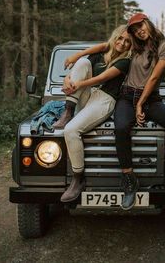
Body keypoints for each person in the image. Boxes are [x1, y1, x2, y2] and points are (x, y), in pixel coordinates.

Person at [114, 13, 165, 210]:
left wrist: (140, 104)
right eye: (134, 29)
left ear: (147, 23)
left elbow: (154, 77)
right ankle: (130, 180)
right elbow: (108, 47)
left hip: (150, 99)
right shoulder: (134, 45)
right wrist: (78, 55)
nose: (139, 31)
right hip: (126, 97)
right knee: (121, 127)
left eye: (140, 26)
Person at [55, 25, 132, 203]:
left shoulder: (126, 61)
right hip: (86, 96)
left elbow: (102, 78)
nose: (122, 43)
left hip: (104, 99)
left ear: (131, 45)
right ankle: (68, 111)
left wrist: (76, 85)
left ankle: (78, 178)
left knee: (70, 130)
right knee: (82, 62)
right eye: (120, 38)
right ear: (115, 37)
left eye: (127, 41)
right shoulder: (101, 53)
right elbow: (79, 69)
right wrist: (68, 78)